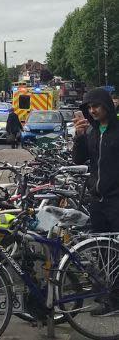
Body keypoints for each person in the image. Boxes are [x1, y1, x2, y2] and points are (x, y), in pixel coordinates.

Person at [72, 87, 119, 316]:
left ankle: (115, 300)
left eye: (96, 106)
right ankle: (109, 295)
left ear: (107, 106)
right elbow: (80, 159)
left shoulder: (116, 130)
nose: (93, 110)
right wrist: (78, 137)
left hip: (116, 200)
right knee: (103, 251)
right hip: (97, 200)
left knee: (116, 251)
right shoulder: (91, 132)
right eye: (89, 107)